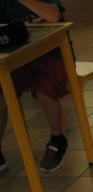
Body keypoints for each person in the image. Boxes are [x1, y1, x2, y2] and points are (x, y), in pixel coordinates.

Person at [0, 0, 70, 173]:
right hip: (19, 59)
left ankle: (57, 138)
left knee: (44, 90)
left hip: (54, 54)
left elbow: (54, 16)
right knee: (1, 91)